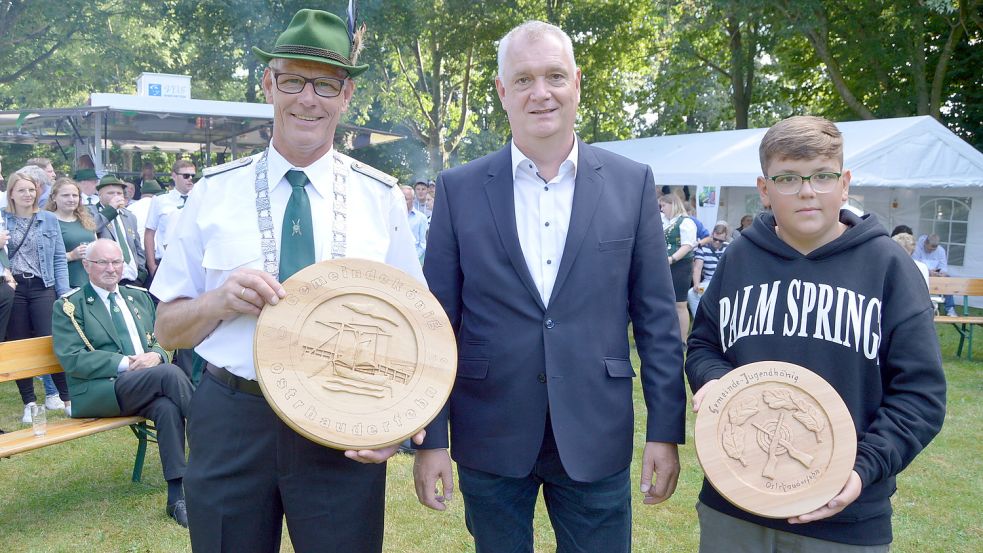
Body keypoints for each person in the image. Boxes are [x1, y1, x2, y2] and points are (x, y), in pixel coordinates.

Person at [150, 9, 425, 552]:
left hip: (342, 419)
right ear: (268, 84)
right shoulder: (211, 192)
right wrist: (219, 301)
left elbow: (412, 329)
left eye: (326, 85)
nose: (308, 99)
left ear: (346, 97)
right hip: (233, 417)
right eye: (294, 80)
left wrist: (395, 424)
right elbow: (167, 330)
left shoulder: (381, 197)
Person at [414, 20, 685, 553]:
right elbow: (436, 324)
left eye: (555, 76)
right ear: (501, 91)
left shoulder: (632, 184)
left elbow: (655, 321)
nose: (541, 93)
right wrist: (430, 440)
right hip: (490, 430)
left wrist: (664, 429)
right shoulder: (459, 189)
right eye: (524, 79)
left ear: (577, 83)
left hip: (595, 430)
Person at [686, 115, 946, 552]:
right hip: (733, 505)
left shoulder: (888, 267)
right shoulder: (739, 259)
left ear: (844, 183)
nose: (807, 191)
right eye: (787, 178)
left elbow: (921, 394)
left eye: (822, 176)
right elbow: (704, 345)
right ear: (764, 189)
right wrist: (715, 381)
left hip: (846, 521)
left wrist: (862, 468)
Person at [52, 238, 193, 527]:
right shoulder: (69, 306)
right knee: (169, 374)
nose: (111, 268)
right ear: (87, 265)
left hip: (148, 384)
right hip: (102, 389)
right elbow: (73, 359)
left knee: (166, 407)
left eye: (116, 262)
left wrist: (156, 355)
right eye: (103, 262)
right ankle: (214, 434)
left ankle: (177, 497)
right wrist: (128, 363)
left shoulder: (138, 297)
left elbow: (165, 338)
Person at [2, 171, 71, 422]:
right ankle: (29, 403)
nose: (28, 194)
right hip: (14, 287)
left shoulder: (48, 220)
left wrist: (63, 292)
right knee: (20, 345)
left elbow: (59, 258)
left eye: (31, 190)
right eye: (21, 190)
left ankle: (66, 399)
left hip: (43, 286)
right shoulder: (2, 220)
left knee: (50, 341)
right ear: (11, 193)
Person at [90, 175, 147, 286]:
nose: (116, 196)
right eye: (110, 193)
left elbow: (137, 247)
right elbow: (93, 227)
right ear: (99, 194)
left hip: (132, 278)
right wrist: (111, 209)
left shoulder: (129, 216)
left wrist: (141, 272)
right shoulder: (90, 212)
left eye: (119, 193)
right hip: (107, 277)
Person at [145, 160, 196, 281]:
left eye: (193, 176)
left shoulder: (200, 199)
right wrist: (152, 265)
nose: (190, 179)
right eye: (185, 175)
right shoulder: (160, 200)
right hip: (167, 261)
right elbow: (149, 233)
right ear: (174, 176)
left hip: (193, 262)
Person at [45, 177, 98, 289]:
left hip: (90, 282)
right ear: (54, 197)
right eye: (65, 195)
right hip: (64, 284)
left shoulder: (86, 219)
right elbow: (42, 259)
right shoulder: (46, 221)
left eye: (75, 195)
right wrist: (71, 255)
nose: (71, 199)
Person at [660, 192, 698, 343]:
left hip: (680, 265)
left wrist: (672, 258)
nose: (661, 209)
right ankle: (665, 336)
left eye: (664, 205)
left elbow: (687, 245)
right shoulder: (663, 221)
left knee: (680, 304)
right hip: (664, 264)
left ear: (673, 205)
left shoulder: (686, 222)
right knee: (663, 302)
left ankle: (682, 340)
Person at [687, 221, 729, 316]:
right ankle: (699, 318)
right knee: (692, 294)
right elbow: (697, 268)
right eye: (715, 239)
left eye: (720, 241)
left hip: (724, 282)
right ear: (711, 235)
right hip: (708, 284)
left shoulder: (729, 247)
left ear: (725, 238)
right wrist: (696, 284)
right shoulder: (703, 248)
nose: (717, 242)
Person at [913, 234, 956, 316]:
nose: (931, 252)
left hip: (936, 276)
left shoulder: (941, 251)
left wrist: (941, 273)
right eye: (929, 249)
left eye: (933, 250)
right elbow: (915, 265)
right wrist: (928, 272)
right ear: (925, 243)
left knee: (948, 279)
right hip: (920, 274)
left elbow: (943, 267)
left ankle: (950, 309)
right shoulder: (917, 249)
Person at [401, 185, 428, 262]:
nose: (402, 202)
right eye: (401, 199)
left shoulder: (421, 218)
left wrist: (412, 259)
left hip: (414, 261)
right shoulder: (393, 216)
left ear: (413, 199)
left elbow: (423, 244)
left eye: (406, 199)